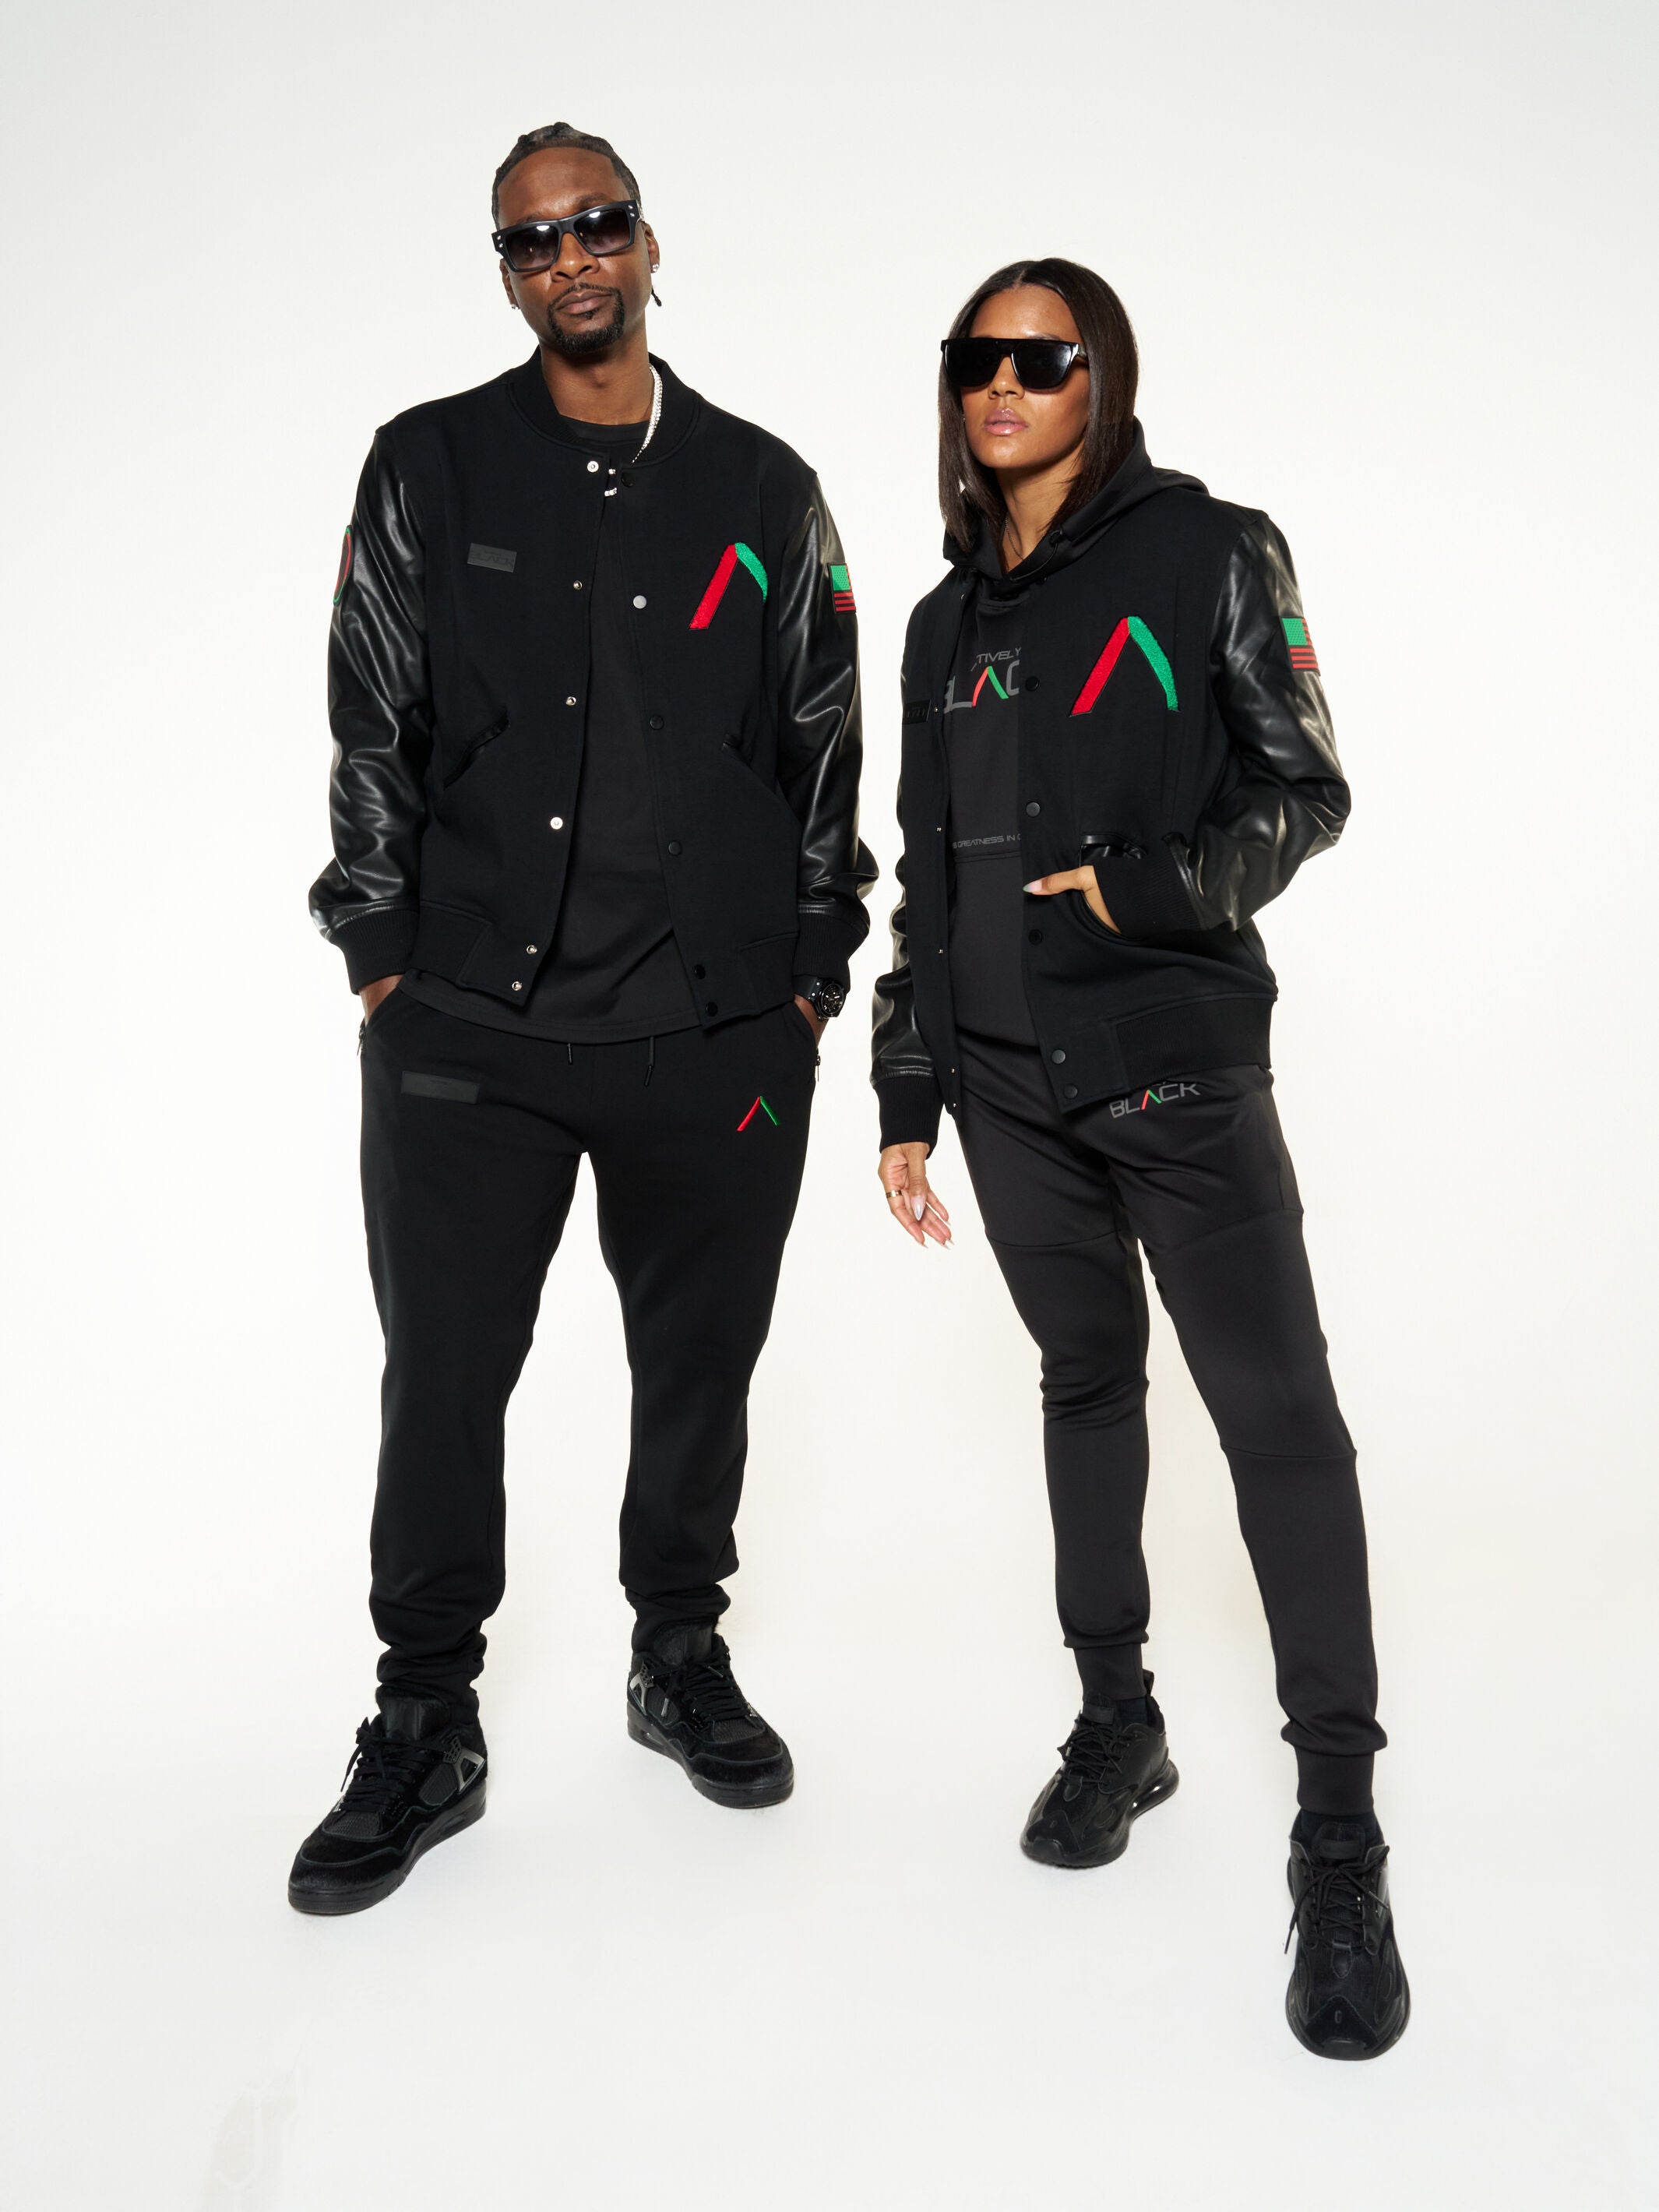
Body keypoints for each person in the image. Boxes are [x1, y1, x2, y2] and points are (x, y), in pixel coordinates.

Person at [292, 122, 875, 1914]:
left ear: (646, 240)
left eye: (596, 224)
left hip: (718, 1029)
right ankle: (424, 1715)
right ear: (508, 271)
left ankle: (676, 1651)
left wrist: (809, 974)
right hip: (472, 1027)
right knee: (444, 1378)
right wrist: (382, 956)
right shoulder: (430, 464)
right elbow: (371, 718)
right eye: (531, 240)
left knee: (701, 1363)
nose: (570, 260)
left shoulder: (765, 488)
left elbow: (826, 734)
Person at [870, 259, 1408, 2059]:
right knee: (1085, 1380)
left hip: (1173, 1073)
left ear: (1100, 376)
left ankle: (1341, 1836)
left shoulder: (1211, 552)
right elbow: (923, 872)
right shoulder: (942, 624)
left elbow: (1306, 788)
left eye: (1041, 356)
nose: (1003, 382)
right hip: (1005, 1095)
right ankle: (1122, 1722)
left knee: (1279, 1420)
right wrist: (908, 1086)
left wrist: (1150, 886)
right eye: (977, 356)